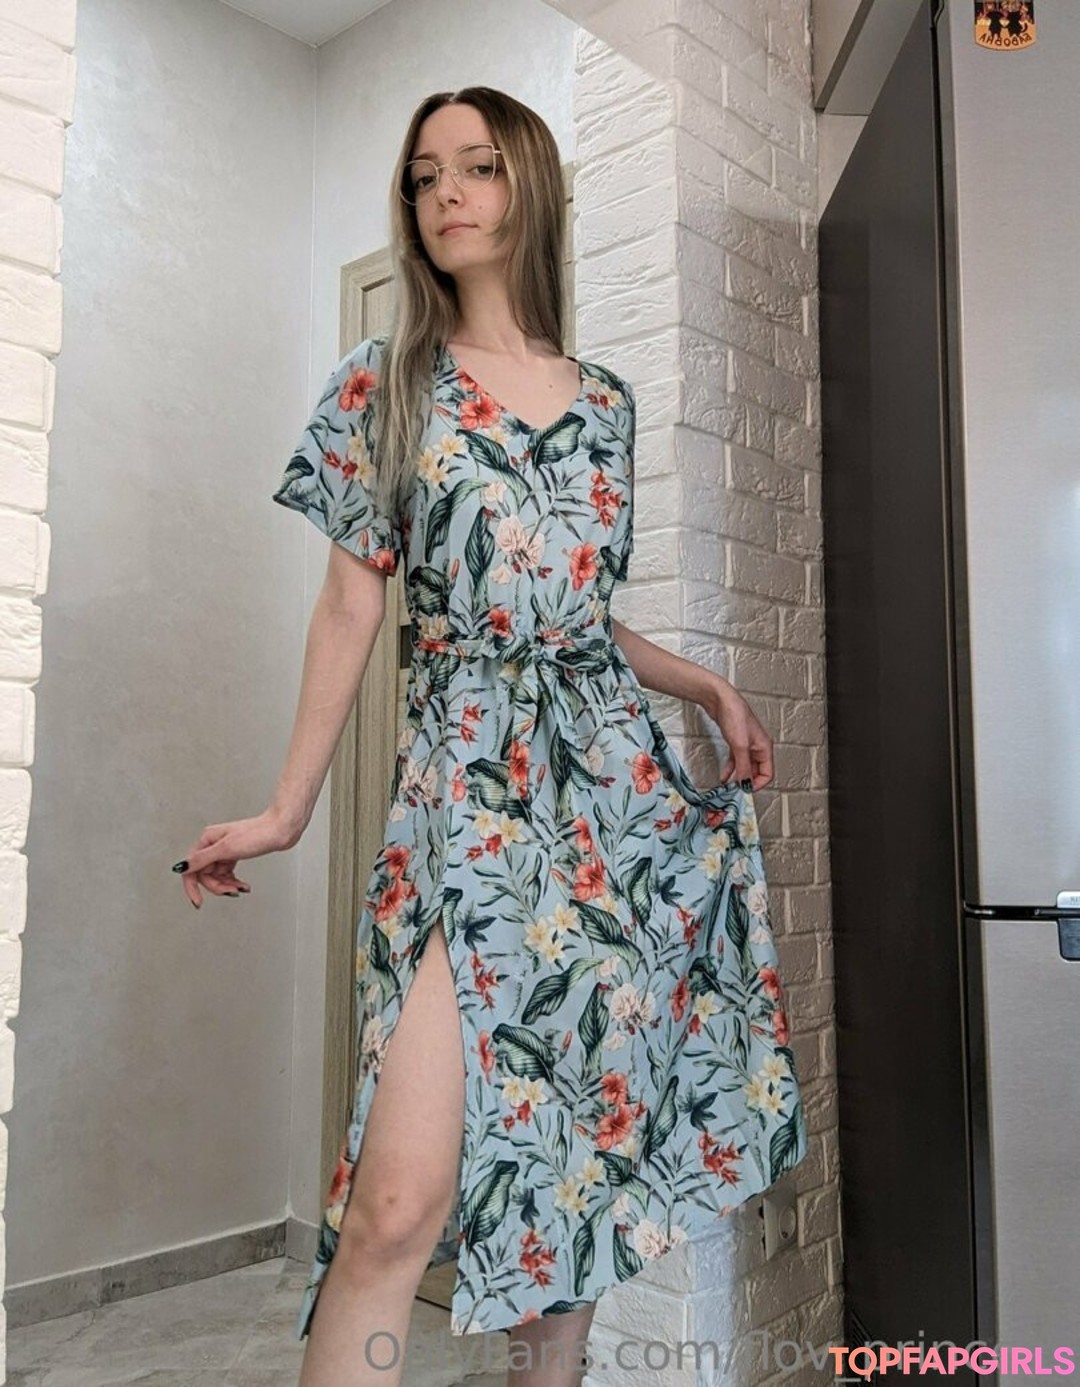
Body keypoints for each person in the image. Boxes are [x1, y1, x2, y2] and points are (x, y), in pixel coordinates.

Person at [172, 86, 807, 1387]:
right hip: (463, 805)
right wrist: (288, 808)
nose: (446, 194)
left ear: (530, 185)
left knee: (574, 1203)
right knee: (396, 1206)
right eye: (424, 176)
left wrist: (704, 686)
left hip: (612, 821)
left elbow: (573, 616)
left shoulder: (606, 406)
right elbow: (354, 598)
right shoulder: (385, 382)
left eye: (475, 167)